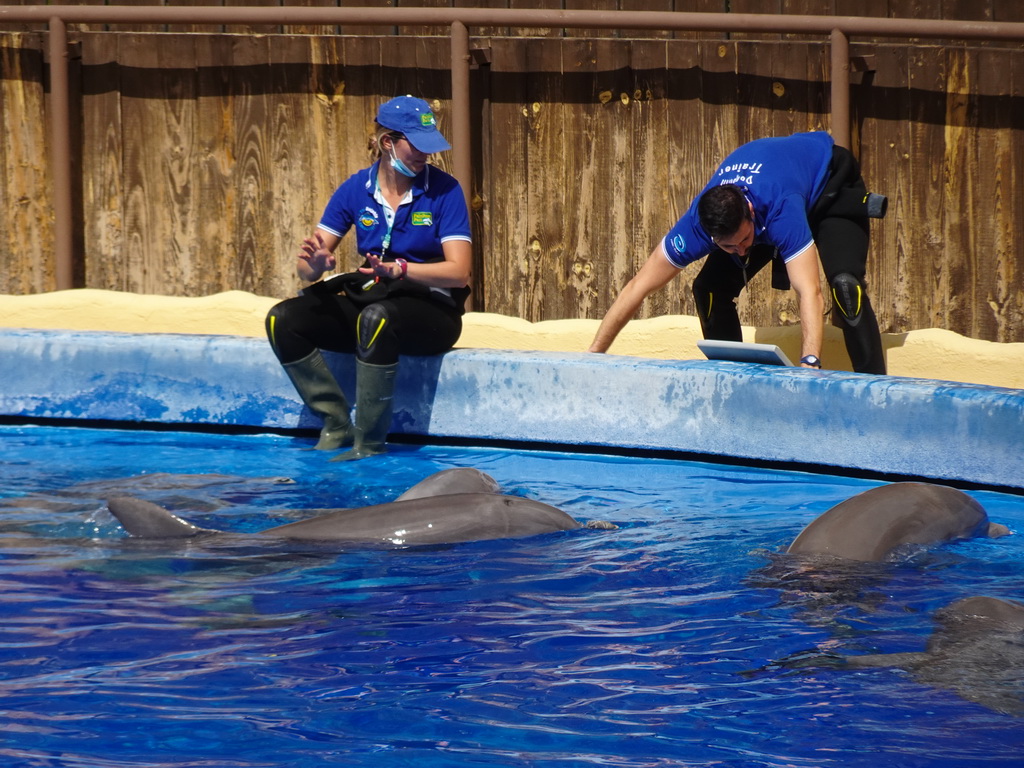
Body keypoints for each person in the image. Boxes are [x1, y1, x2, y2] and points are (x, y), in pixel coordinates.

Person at [266, 95, 472, 460]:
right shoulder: (355, 189)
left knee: (375, 320)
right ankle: (335, 423)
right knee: (282, 320)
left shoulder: (445, 190)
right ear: (387, 143)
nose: (425, 155)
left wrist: (402, 269)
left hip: (432, 312)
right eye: (416, 145)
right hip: (376, 300)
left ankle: (370, 444)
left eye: (430, 145)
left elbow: (459, 272)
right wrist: (318, 263)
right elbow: (306, 268)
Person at [588, 131, 887, 374]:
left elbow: (809, 291)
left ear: (751, 213)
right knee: (708, 288)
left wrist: (809, 366)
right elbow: (637, 287)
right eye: (728, 246)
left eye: (745, 240)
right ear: (710, 234)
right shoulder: (697, 225)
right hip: (776, 196)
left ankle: (875, 390)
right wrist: (592, 356)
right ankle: (732, 377)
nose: (741, 251)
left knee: (846, 287)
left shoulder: (779, 208)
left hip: (828, 184)